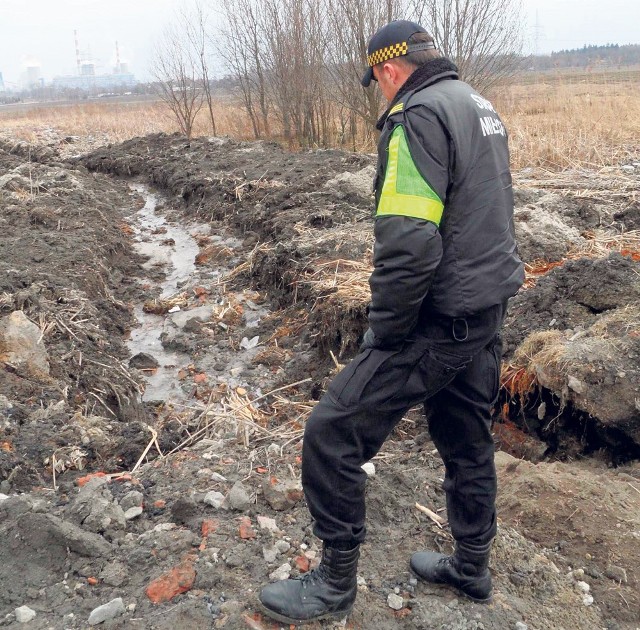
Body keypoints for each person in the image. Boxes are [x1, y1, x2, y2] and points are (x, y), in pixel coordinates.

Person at [259, 19, 524, 625]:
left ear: (388, 69)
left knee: (333, 430)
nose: (380, 90)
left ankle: (333, 583)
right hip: (485, 307)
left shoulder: (416, 117)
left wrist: (386, 328)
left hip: (438, 317)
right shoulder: (477, 105)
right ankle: (471, 565)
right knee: (466, 438)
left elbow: (409, 240)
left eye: (376, 80)